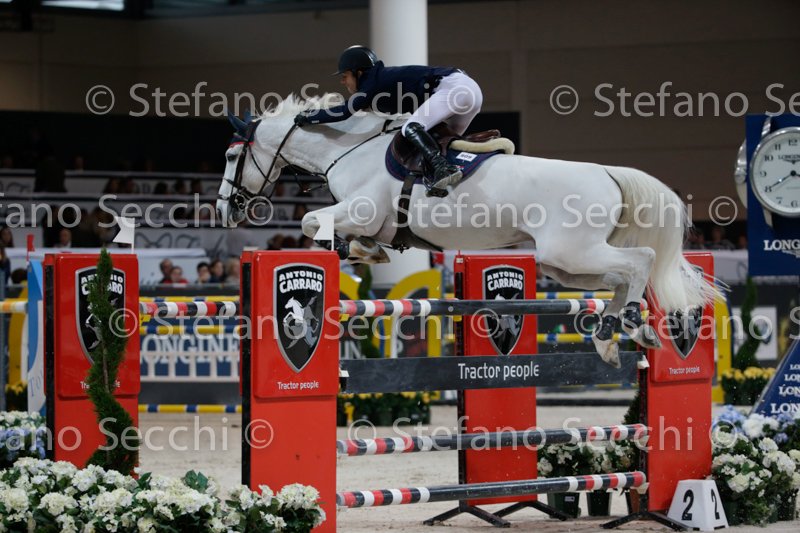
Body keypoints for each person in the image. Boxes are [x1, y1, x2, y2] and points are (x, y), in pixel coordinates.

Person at [294, 45, 483, 194]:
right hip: (469, 92)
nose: (342, 81)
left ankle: (444, 169)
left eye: (345, 76)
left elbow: (344, 111)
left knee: (411, 128)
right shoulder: (379, 81)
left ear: (359, 72)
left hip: (454, 88)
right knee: (444, 143)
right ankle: (457, 174)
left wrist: (309, 116)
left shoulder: (372, 83)